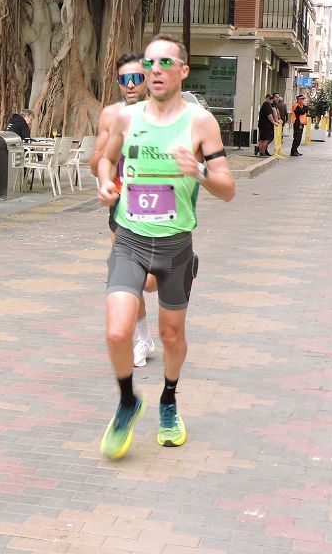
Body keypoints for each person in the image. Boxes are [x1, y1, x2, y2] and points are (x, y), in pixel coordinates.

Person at [96, 34, 235, 457]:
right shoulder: (126, 117)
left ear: (182, 71)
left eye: (164, 63)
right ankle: (126, 401)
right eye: (149, 63)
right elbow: (105, 158)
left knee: (171, 337)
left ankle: (169, 399)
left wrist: (199, 172)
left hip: (175, 247)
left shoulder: (200, 123)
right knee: (118, 330)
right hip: (130, 240)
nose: (154, 70)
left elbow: (227, 189)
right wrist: (105, 180)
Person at [90, 53, 159, 369]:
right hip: (122, 204)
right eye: (124, 80)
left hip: (160, 202)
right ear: (118, 82)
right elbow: (96, 163)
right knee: (132, 281)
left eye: (136, 79)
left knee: (151, 282)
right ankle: (142, 339)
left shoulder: (165, 113)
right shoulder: (110, 115)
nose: (131, 85)